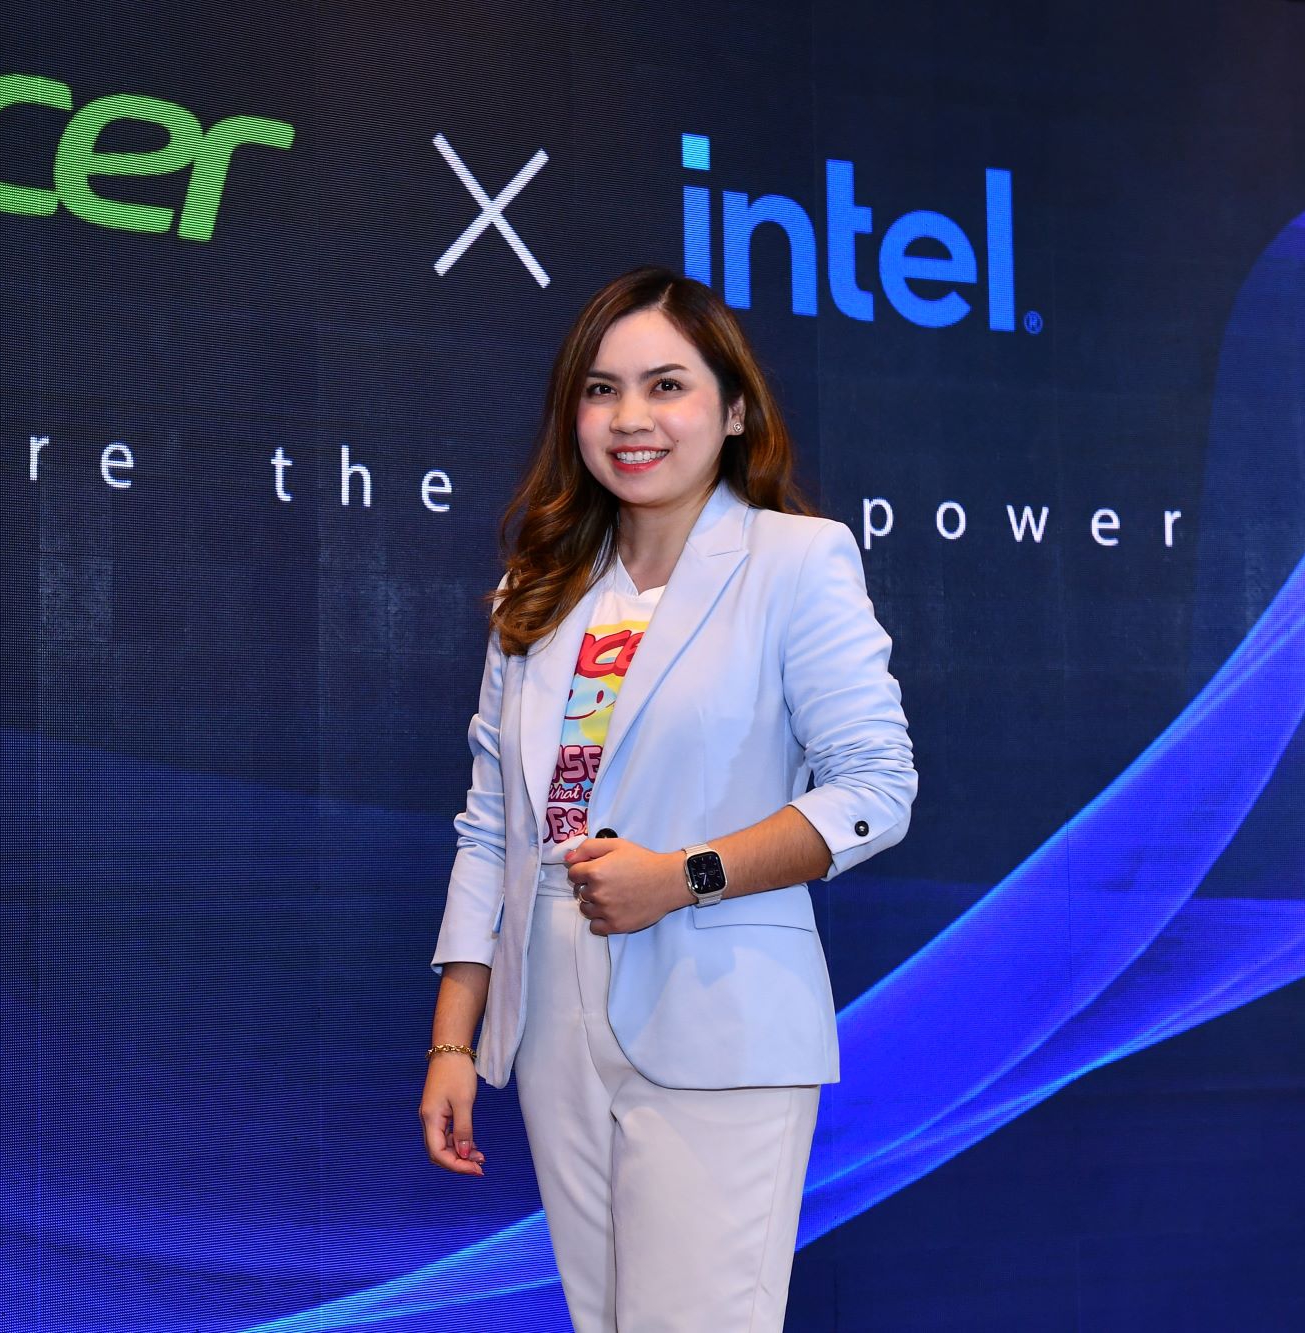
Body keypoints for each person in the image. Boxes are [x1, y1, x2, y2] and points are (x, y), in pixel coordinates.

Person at [419, 265, 916, 1332]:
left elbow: (875, 790)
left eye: (666, 385)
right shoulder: (534, 592)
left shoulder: (795, 561)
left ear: (732, 411)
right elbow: (491, 827)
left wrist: (682, 877)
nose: (630, 417)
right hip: (549, 1017)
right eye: (601, 390)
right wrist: (453, 1040)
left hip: (720, 1007)